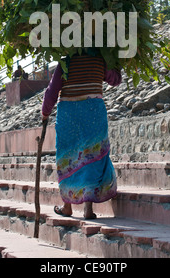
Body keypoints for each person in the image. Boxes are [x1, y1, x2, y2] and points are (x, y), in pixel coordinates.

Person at [41, 50, 122, 220]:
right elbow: (115, 80)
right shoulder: (100, 59)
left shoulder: (65, 63)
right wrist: (117, 62)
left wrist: (45, 112)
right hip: (93, 113)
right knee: (92, 157)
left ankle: (67, 206)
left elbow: (51, 93)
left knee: (67, 158)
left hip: (69, 116)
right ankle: (87, 208)